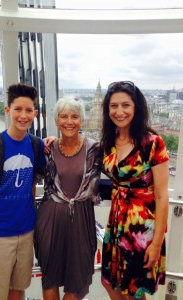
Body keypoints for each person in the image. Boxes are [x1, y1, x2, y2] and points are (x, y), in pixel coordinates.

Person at [0, 83, 45, 300]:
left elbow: (32, 182)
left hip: (26, 230)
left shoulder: (36, 146)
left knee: (18, 289)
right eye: (18, 109)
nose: (23, 115)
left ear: (35, 114)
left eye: (28, 110)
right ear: (7, 110)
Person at [101, 81, 169, 300]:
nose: (119, 112)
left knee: (134, 293)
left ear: (136, 108)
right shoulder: (109, 141)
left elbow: (161, 195)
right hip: (115, 227)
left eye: (125, 105)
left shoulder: (152, 143)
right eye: (113, 106)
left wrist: (156, 243)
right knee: (111, 286)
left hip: (141, 232)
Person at [35, 96, 102, 300]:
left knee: (78, 280)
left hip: (82, 221)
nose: (69, 121)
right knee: (50, 277)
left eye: (75, 116)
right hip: (49, 221)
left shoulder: (95, 149)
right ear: (56, 121)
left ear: (82, 120)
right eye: (64, 116)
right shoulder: (46, 149)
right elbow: (28, 177)